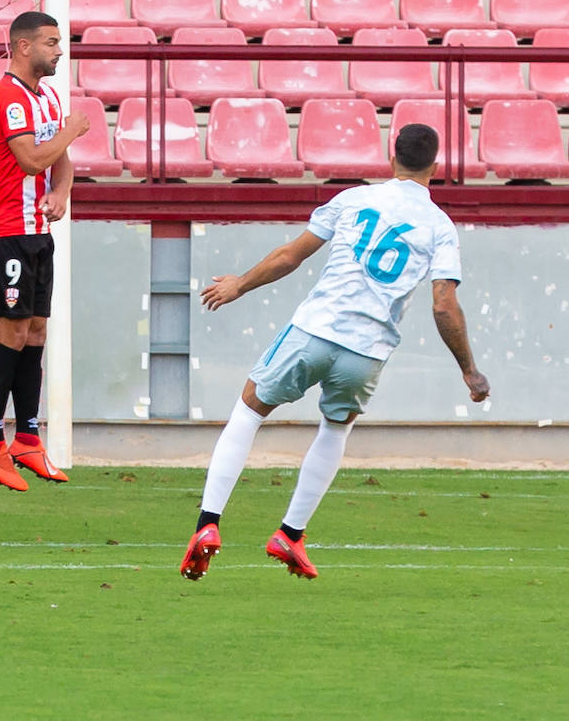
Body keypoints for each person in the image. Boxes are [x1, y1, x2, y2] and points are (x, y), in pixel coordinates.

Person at [180, 124, 491, 581]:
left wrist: (239, 284)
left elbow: (292, 255)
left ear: (392, 157)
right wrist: (469, 370)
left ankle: (208, 525)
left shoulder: (354, 199)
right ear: (436, 168)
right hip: (367, 351)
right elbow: (444, 304)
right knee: (335, 428)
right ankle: (291, 533)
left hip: (315, 329)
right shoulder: (440, 227)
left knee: (248, 411)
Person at [0, 11, 88, 492]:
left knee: (36, 331)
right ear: (22, 47)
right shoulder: (5, 97)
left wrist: (60, 193)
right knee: (12, 331)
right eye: (52, 42)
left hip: (36, 231)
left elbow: (59, 166)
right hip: (3, 233)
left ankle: (28, 437)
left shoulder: (48, 97)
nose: (60, 50)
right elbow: (30, 159)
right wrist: (72, 130)